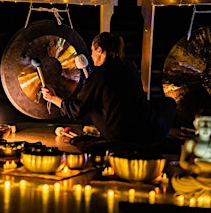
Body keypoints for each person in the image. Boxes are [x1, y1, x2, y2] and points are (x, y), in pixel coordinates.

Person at [41, 32, 177, 153]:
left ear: (99, 50)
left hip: (120, 134)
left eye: (92, 51)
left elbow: (78, 110)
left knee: (92, 103)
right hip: (145, 130)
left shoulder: (99, 75)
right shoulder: (130, 67)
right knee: (168, 102)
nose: (92, 56)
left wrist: (53, 98)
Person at [179, 111, 211, 177]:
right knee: (178, 181)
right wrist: (193, 168)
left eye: (209, 124)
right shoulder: (192, 142)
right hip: (197, 171)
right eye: (202, 124)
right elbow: (182, 162)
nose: (205, 128)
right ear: (197, 126)